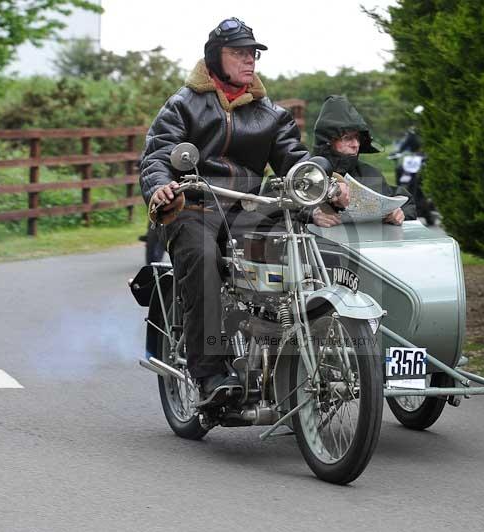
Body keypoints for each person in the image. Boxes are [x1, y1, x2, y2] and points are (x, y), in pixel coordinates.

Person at [139, 18, 347, 403]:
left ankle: (298, 359)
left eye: (252, 53)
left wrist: (325, 188)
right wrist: (161, 186)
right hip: (194, 204)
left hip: (250, 208)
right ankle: (210, 374)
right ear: (215, 58)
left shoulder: (271, 114)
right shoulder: (183, 105)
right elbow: (156, 156)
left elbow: (295, 162)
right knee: (203, 260)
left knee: (303, 252)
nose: (249, 60)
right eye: (239, 53)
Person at [309, 95, 416, 228]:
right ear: (329, 141)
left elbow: (405, 201)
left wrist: (399, 212)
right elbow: (279, 207)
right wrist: (311, 215)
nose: (356, 144)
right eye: (347, 138)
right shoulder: (305, 173)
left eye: (357, 138)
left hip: (367, 246)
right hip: (317, 247)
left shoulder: (370, 173)